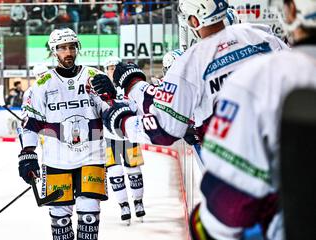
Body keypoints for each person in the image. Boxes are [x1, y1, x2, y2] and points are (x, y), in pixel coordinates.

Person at [187, 0, 316, 240]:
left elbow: (233, 201)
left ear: (292, 10)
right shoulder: (264, 44)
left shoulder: (262, 77)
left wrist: (205, 229)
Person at [94, 0, 288, 149]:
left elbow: (165, 130)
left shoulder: (189, 63)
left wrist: (122, 121)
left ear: (194, 20)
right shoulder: (261, 34)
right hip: (286, 144)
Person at [18, 28, 110, 240]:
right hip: (56, 159)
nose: (68, 53)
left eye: (71, 47)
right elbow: (30, 124)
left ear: (77, 47)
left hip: (91, 156)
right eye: (62, 48)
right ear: (53, 51)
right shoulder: (43, 83)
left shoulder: (94, 77)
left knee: (89, 214)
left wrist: (113, 97)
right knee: (60, 217)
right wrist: (28, 153)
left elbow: (111, 114)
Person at [103, 56, 146, 225]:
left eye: (114, 66)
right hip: (109, 138)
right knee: (115, 173)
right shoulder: (101, 87)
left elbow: (138, 106)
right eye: (109, 67)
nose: (112, 70)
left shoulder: (128, 85)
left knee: (134, 171)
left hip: (130, 136)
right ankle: (124, 206)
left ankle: (138, 201)